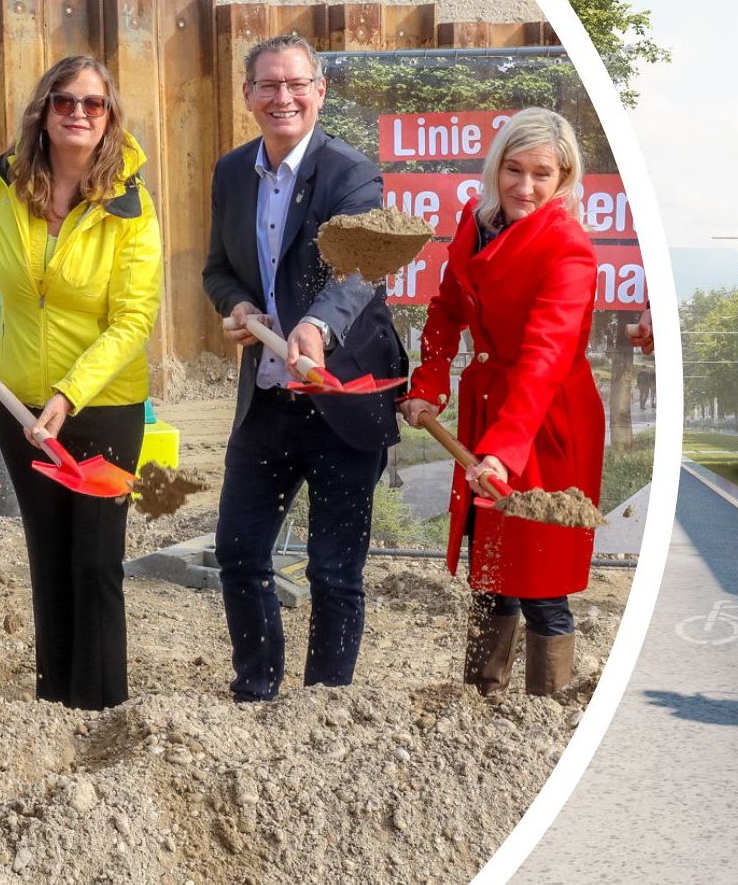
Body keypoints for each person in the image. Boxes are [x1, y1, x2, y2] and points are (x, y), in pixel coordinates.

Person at [202, 34, 406, 703]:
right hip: (267, 401)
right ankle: (257, 690)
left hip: (342, 400)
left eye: (296, 84)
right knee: (239, 551)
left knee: (334, 571)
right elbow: (219, 268)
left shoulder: (352, 174)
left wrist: (315, 327)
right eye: (268, 85)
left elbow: (359, 266)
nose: (282, 97)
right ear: (248, 95)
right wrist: (237, 305)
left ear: (319, 92)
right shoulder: (232, 173)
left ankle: (323, 707)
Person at [0, 54, 162, 710]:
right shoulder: (4, 184)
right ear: (43, 112)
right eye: (64, 101)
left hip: (103, 407)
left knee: (96, 562)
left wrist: (70, 394)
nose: (78, 113)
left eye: (93, 104)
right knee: (48, 559)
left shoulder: (132, 205)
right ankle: (55, 704)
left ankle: (101, 706)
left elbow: (134, 319)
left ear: (108, 120)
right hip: (19, 404)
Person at [399, 107, 604, 698]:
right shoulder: (476, 218)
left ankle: (547, 708)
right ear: (495, 168)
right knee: (491, 569)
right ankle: (482, 698)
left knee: (540, 576)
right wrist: (430, 380)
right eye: (513, 170)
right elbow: (446, 306)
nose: (525, 187)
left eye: (542, 174)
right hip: (490, 408)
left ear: (564, 179)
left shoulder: (569, 250)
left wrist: (505, 451)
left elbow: (545, 359)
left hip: (545, 423)